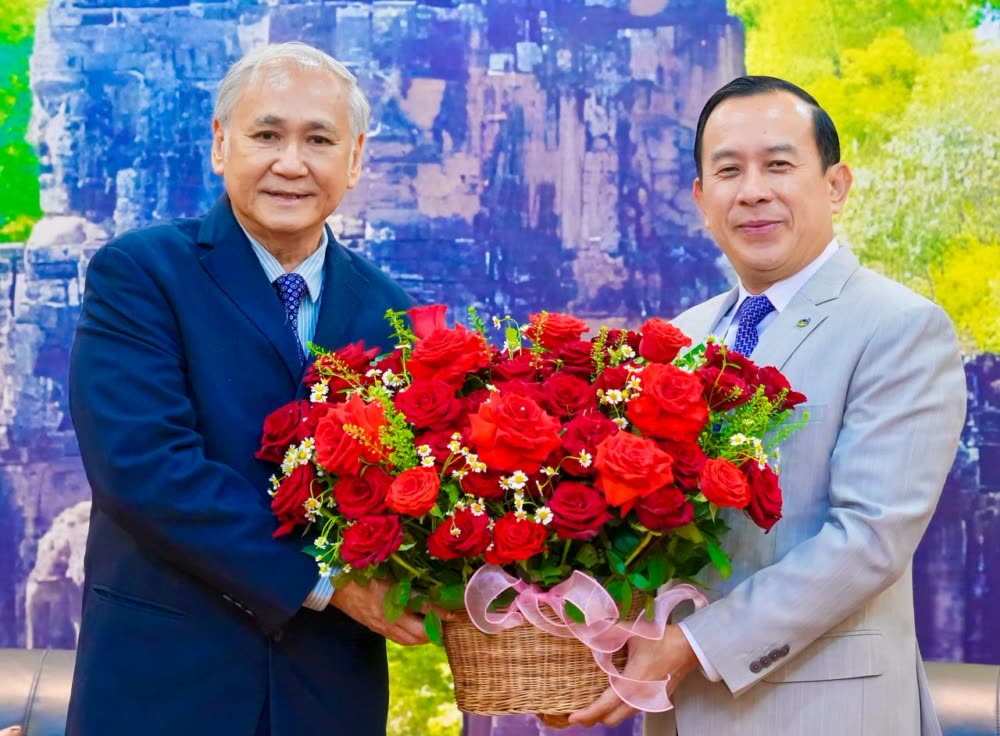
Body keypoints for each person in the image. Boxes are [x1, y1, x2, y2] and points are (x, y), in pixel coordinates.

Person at [569, 76, 967, 736]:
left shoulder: (899, 327)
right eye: (729, 171)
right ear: (702, 199)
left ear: (835, 185)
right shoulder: (682, 337)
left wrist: (697, 644)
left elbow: (869, 539)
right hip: (678, 712)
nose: (752, 191)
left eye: (778, 165)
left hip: (825, 713)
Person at [66, 42, 427, 736]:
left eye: (318, 140)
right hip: (163, 690)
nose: (291, 163)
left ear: (354, 159)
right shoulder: (141, 274)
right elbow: (144, 468)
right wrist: (327, 583)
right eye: (267, 135)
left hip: (328, 699)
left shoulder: (393, 313)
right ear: (220, 144)